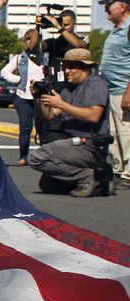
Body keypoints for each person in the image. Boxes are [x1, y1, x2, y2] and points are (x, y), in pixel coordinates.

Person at [29, 49, 111, 197]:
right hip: (72, 142)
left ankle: (87, 176)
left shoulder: (95, 84)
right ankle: (102, 180)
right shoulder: (69, 89)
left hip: (89, 144)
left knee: (36, 158)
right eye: (66, 66)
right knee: (48, 184)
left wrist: (61, 104)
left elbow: (94, 116)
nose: (67, 71)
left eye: (72, 67)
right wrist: (39, 98)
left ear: (85, 68)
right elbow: (50, 115)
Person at [96, 0, 130, 190]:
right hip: (112, 89)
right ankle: (118, 169)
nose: (107, 10)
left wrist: (128, 91)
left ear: (122, 6)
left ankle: (128, 173)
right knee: (115, 133)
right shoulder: (117, 29)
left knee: (126, 131)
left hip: (123, 89)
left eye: (109, 5)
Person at [0, 30, 45, 167]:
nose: (28, 41)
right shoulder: (20, 57)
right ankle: (23, 156)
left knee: (42, 127)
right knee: (25, 128)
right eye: (26, 38)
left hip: (41, 97)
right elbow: (4, 72)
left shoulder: (45, 57)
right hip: (23, 97)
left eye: (31, 38)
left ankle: (45, 155)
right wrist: (18, 79)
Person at [27, 8, 88, 80]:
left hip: (74, 84)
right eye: (61, 24)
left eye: (66, 25)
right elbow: (32, 47)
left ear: (74, 25)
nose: (63, 27)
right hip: (55, 84)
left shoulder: (81, 39)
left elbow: (78, 44)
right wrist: (37, 27)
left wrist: (58, 27)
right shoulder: (54, 42)